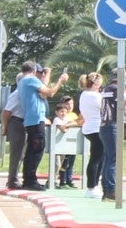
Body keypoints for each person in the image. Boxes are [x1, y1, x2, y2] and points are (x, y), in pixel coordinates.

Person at [15, 62, 69, 191]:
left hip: (31, 119)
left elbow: (43, 90)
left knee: (32, 150)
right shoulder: (31, 80)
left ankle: (28, 179)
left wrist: (48, 74)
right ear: (33, 70)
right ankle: (30, 180)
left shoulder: (24, 81)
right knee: (37, 149)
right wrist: (60, 81)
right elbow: (49, 92)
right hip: (36, 118)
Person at [97, 73, 126, 201]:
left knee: (108, 158)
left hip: (105, 126)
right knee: (113, 159)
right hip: (112, 126)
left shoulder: (107, 88)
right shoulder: (116, 89)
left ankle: (107, 190)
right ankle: (111, 191)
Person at [78, 72, 105, 195]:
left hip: (90, 127)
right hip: (96, 128)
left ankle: (94, 185)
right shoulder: (94, 96)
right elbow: (105, 107)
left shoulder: (84, 94)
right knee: (96, 158)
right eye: (99, 85)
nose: (100, 87)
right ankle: (91, 187)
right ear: (94, 84)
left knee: (99, 158)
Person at [51, 97, 82, 188]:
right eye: (67, 104)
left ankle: (69, 180)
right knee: (61, 164)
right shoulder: (58, 118)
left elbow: (77, 123)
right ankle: (61, 180)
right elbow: (63, 128)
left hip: (72, 143)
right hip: (60, 145)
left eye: (71, 104)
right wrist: (68, 125)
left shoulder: (73, 116)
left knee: (69, 163)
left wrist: (69, 124)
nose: (70, 106)